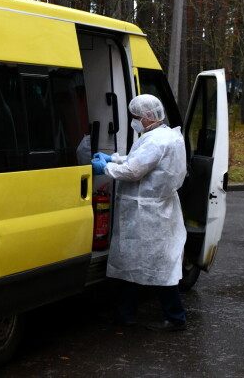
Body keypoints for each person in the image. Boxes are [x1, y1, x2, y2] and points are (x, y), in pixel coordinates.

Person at [92, 94, 188, 332]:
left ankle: (176, 318)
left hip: (147, 212)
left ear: (147, 117)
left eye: (135, 117)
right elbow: (140, 160)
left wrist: (106, 167)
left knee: (158, 267)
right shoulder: (165, 136)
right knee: (134, 264)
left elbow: (134, 170)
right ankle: (125, 314)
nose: (134, 121)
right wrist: (114, 158)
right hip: (153, 210)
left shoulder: (156, 141)